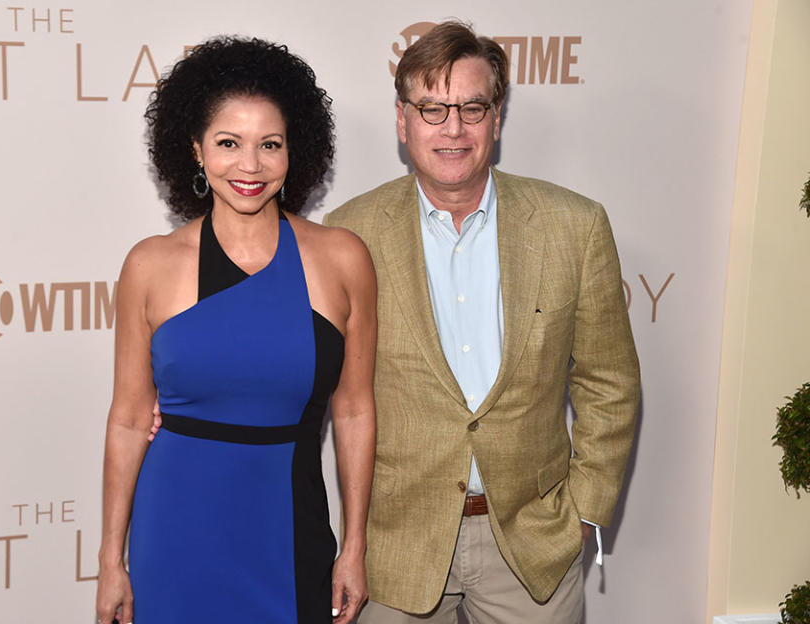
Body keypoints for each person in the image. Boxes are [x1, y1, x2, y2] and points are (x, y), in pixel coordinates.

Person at [324, 21, 640, 624]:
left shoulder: (574, 226)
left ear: (496, 119)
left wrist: (584, 511)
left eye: (472, 107)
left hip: (533, 544)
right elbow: (309, 375)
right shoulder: (348, 234)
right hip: (395, 546)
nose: (453, 128)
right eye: (432, 108)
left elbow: (610, 382)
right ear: (402, 121)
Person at [95, 36, 376, 624]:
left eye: (269, 145)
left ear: (293, 151)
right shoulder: (149, 265)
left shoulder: (342, 258)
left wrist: (354, 546)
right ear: (196, 150)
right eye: (229, 143)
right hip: (175, 528)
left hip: (290, 523)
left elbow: (353, 410)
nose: (249, 166)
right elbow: (127, 418)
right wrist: (111, 560)